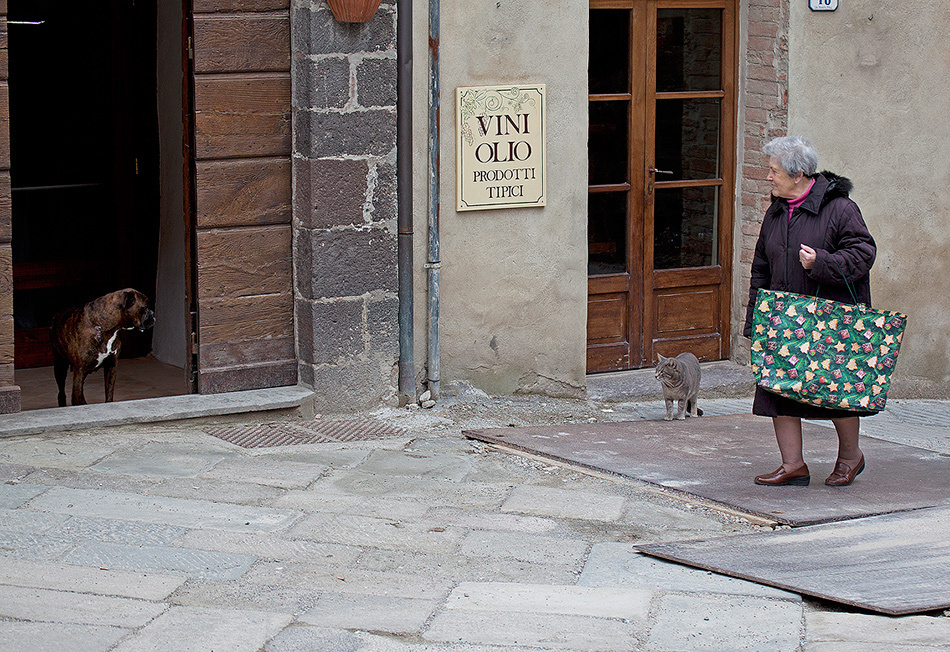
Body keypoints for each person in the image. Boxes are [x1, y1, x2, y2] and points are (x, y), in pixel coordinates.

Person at [743, 136, 877, 487]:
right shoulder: (776, 211)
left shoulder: (840, 209)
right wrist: (756, 320)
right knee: (778, 389)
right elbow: (761, 267)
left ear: (798, 174)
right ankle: (793, 465)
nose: (768, 177)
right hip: (782, 318)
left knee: (836, 390)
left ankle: (850, 458)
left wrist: (822, 262)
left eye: (774, 171)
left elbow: (863, 253)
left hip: (830, 321)